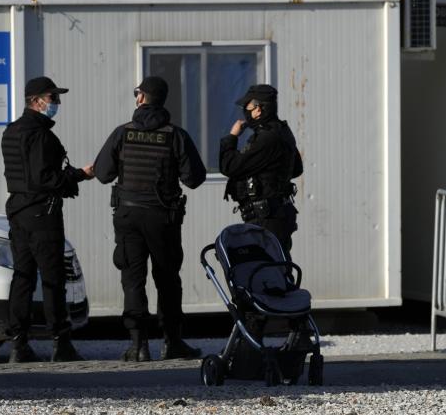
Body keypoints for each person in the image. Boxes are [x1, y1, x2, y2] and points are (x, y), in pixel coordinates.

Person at [93, 76, 207, 361]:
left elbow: (103, 173)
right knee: (167, 280)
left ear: (142, 98)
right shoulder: (175, 135)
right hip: (162, 219)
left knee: (132, 279)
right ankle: (172, 342)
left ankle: (138, 345)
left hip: (128, 216)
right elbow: (194, 178)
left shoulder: (123, 133)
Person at [1, 77, 93, 363]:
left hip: (18, 211)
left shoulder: (11, 131)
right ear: (37, 100)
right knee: (53, 279)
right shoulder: (40, 135)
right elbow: (44, 179)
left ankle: (18, 344)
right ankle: (61, 343)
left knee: (23, 277)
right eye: (53, 98)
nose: (57, 103)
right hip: (43, 213)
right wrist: (79, 174)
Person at [219, 84, 303, 262]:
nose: (245, 112)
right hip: (276, 213)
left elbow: (229, 166)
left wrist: (232, 137)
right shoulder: (281, 131)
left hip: (266, 218)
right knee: (276, 268)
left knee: (268, 271)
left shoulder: (267, 138)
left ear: (258, 109)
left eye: (247, 107)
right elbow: (296, 168)